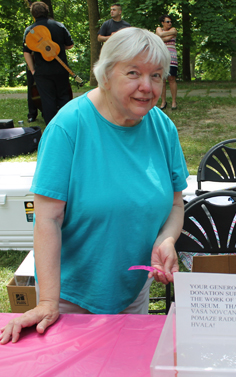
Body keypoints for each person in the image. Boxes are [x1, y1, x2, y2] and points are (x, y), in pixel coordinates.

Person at [0, 27, 189, 344]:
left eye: (157, 75)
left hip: (133, 290)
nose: (147, 86)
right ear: (106, 74)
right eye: (133, 73)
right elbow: (47, 218)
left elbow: (174, 205)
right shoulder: (68, 126)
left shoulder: (162, 128)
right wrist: (48, 301)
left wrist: (166, 239)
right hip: (69, 298)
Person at [23, 1, 74, 125]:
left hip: (42, 71)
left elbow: (27, 53)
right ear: (47, 11)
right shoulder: (59, 26)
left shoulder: (30, 31)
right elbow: (70, 45)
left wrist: (33, 70)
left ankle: (52, 127)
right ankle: (67, 124)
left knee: (47, 100)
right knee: (63, 97)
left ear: (33, 14)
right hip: (61, 68)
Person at [155, 14, 178, 110]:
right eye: (167, 21)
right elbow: (159, 35)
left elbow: (160, 37)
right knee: (162, 80)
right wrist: (164, 36)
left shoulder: (174, 29)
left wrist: (161, 38)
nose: (170, 23)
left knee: (171, 79)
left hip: (172, 58)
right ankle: (163, 102)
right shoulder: (158, 29)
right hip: (161, 57)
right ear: (162, 23)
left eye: (170, 21)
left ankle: (174, 102)